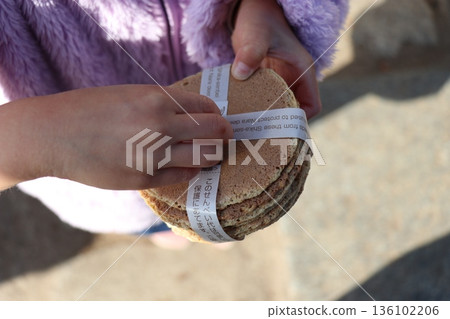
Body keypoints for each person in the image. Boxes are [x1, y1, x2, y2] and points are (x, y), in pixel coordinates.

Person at [0, 0, 349, 245]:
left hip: (241, 77)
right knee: (156, 225)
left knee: (213, 224)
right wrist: (49, 138)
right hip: (102, 194)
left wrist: (261, 7)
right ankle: (160, 232)